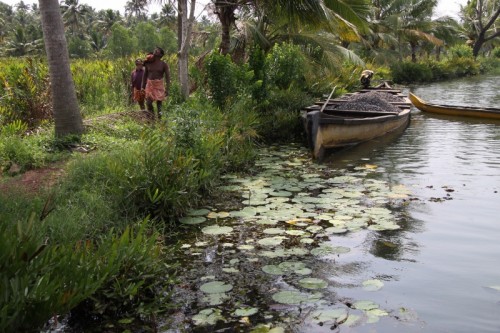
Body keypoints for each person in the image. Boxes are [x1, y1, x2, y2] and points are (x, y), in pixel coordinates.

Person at [141, 47, 170, 118]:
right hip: (150, 84)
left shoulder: (163, 64)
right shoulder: (148, 63)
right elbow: (144, 76)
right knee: (148, 103)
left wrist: (167, 88)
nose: (155, 51)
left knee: (159, 104)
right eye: (155, 50)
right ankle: (152, 118)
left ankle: (159, 120)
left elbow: (167, 77)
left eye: (157, 50)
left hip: (159, 85)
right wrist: (142, 87)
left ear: (161, 55)